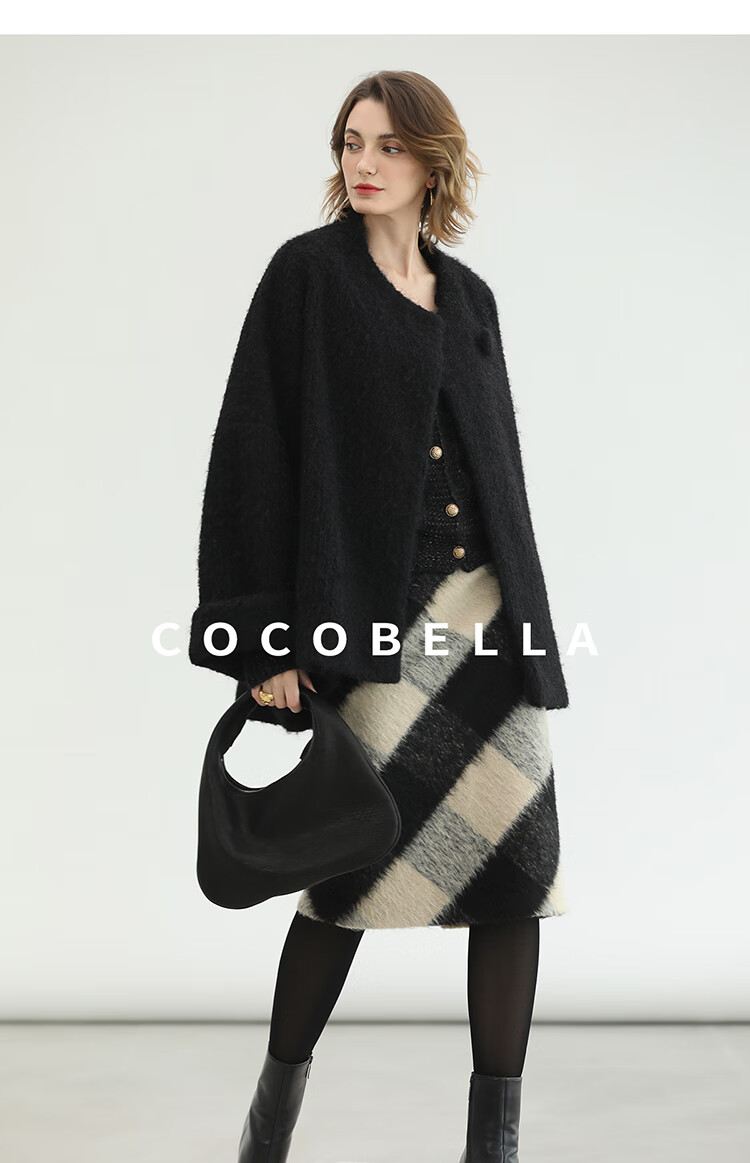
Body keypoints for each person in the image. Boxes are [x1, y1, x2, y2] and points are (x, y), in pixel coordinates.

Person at [189, 70, 571, 1163]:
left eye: (389, 146)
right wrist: (264, 639)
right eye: (352, 142)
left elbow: (501, 472)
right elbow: (252, 454)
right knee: (344, 880)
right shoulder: (307, 277)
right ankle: (269, 1128)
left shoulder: (471, 298)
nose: (364, 163)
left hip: (485, 620)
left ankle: (494, 1144)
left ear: (433, 162)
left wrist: (531, 624)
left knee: (516, 869)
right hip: (369, 624)